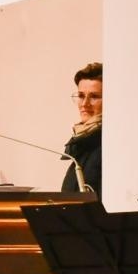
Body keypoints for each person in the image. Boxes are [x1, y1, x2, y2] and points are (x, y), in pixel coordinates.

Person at [62, 61, 101, 195]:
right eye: (81, 96)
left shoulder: (110, 143)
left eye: (94, 97)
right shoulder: (82, 141)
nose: (84, 104)